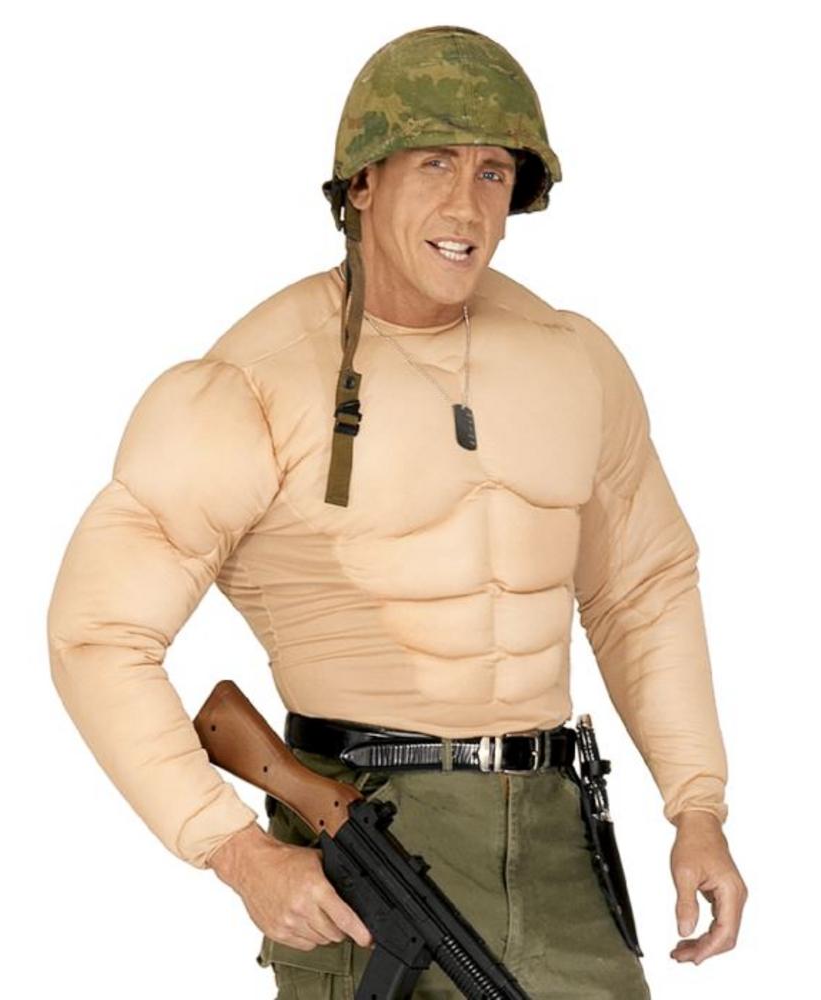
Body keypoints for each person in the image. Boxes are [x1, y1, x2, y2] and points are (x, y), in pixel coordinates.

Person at [47, 24, 747, 999]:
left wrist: (696, 805)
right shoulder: (251, 383)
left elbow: (643, 589)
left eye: (493, 172)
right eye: (434, 164)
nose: (467, 205)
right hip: (369, 841)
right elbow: (96, 635)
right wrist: (236, 851)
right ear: (364, 182)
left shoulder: (572, 359)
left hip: (561, 842)